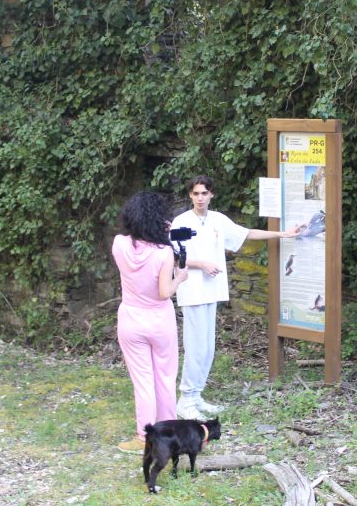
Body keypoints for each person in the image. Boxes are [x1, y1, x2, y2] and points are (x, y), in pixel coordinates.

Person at [171, 175, 303, 419]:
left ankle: (196, 395)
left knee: (208, 347)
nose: (200, 198)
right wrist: (202, 264)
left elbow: (247, 233)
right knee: (195, 346)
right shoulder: (181, 222)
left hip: (212, 289)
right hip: (192, 290)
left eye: (204, 193)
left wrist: (282, 234)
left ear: (211, 194)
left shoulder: (218, 219)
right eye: (196, 193)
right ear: (190, 195)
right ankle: (185, 399)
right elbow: (175, 255)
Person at [112, 191, 189, 453]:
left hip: (131, 319)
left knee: (142, 381)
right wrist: (180, 277)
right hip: (160, 321)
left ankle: (143, 436)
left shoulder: (119, 244)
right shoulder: (164, 252)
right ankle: (169, 433)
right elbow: (165, 292)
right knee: (165, 378)